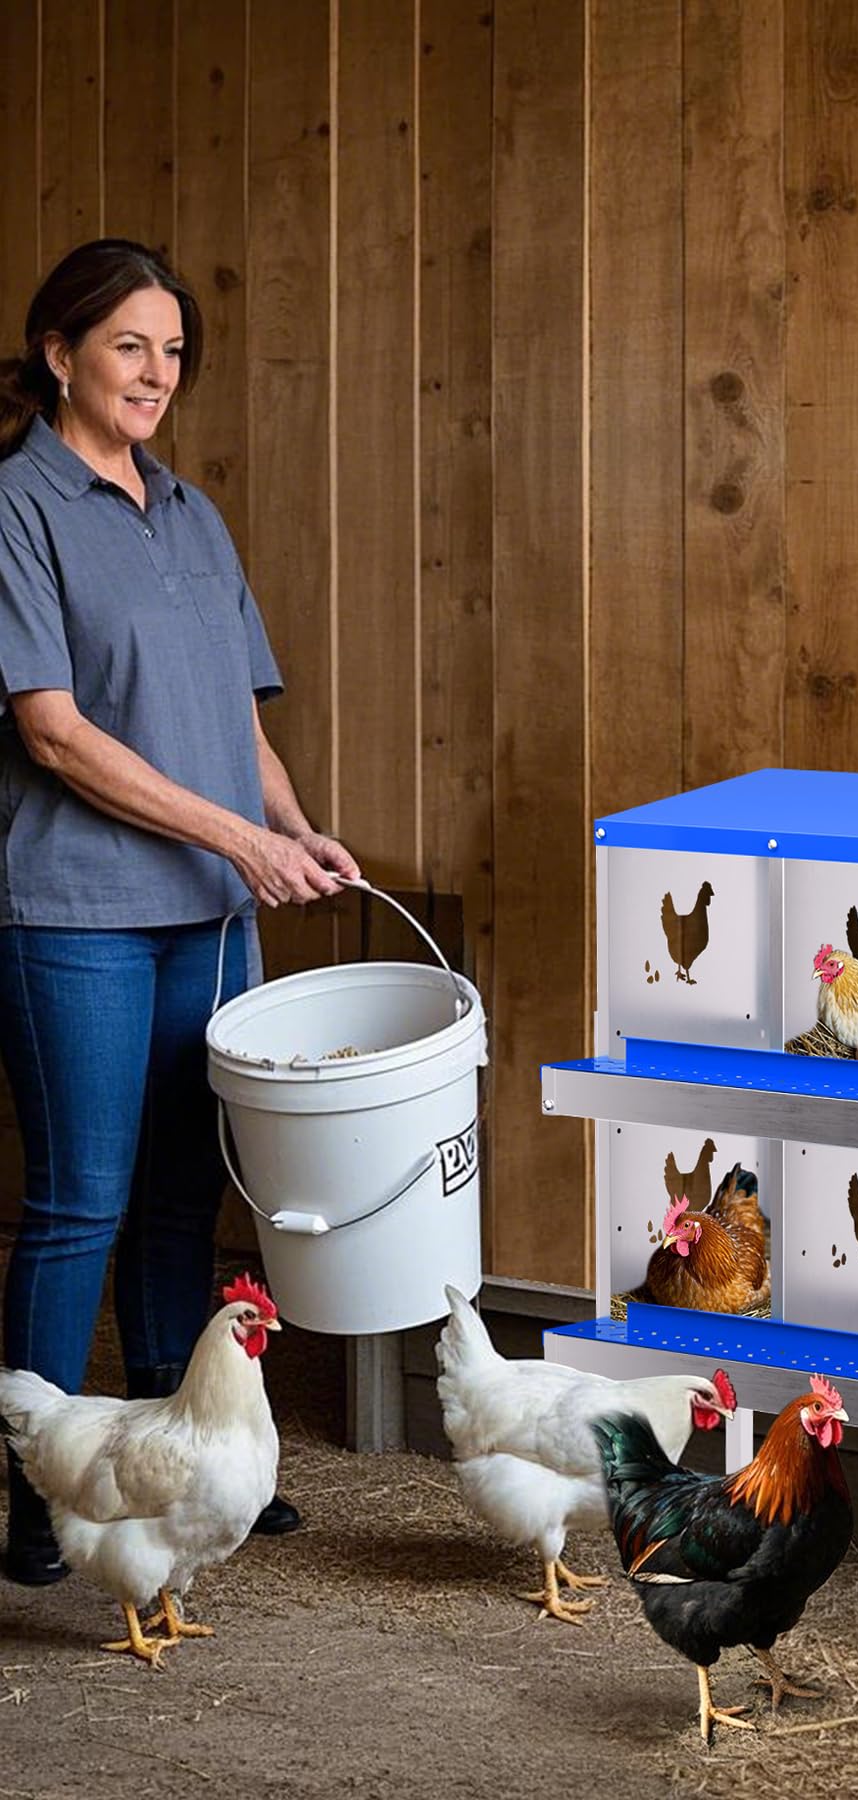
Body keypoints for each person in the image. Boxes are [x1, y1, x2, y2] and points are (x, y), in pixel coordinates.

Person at [0, 239, 357, 1584]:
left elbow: (233, 719)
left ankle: (178, 1462)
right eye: (128, 347)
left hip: (209, 913)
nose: (155, 374)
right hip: (76, 913)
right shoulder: (16, 511)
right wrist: (235, 841)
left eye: (172, 352)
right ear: (59, 354)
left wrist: (290, 828)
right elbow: (53, 735)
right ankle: (36, 1483)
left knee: (178, 1199)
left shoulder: (189, 511)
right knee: (81, 1203)